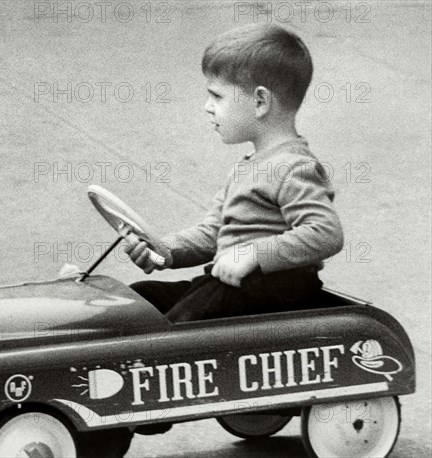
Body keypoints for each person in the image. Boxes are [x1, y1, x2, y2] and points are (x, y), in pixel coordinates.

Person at [125, 23, 344, 323]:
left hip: (270, 292)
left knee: (175, 326)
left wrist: (251, 254)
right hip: (235, 288)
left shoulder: (293, 165)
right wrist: (164, 250)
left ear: (259, 101)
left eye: (217, 96)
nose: (207, 107)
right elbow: (214, 233)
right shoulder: (247, 166)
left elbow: (325, 233)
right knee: (141, 298)